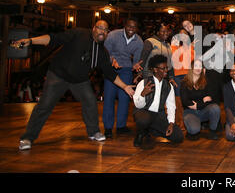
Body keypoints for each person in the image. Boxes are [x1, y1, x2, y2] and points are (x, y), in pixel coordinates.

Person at [13, 20, 135, 150]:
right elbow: (53, 39)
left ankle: (94, 132)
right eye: (100, 28)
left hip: (79, 80)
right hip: (58, 75)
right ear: (94, 28)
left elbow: (110, 73)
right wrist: (31, 41)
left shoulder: (102, 52)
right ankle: (27, 138)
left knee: (90, 101)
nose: (102, 32)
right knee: (44, 106)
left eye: (105, 30)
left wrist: (125, 86)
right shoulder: (79, 34)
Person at [102, 18, 143, 138]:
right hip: (111, 69)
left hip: (126, 70)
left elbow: (136, 60)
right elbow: (104, 53)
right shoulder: (113, 35)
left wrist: (136, 65)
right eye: (129, 26)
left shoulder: (139, 41)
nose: (131, 29)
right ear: (125, 26)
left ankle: (121, 126)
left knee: (125, 98)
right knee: (109, 98)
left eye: (134, 27)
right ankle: (108, 128)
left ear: (136, 29)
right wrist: (112, 60)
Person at [132, 55, 184, 147]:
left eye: (166, 68)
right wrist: (143, 94)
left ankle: (152, 130)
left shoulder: (168, 86)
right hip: (144, 112)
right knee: (143, 120)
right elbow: (138, 105)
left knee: (178, 136)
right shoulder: (144, 82)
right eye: (163, 68)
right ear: (155, 70)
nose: (166, 70)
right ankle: (141, 132)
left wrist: (171, 123)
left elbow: (171, 106)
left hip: (158, 116)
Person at [181, 59, 221, 140]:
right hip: (190, 112)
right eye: (196, 66)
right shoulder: (184, 82)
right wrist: (203, 101)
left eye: (200, 66)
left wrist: (197, 105)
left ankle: (212, 131)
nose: (198, 68)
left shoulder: (206, 81)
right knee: (194, 131)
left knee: (215, 108)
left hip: (203, 111)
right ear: (191, 68)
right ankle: (192, 129)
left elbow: (210, 99)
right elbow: (185, 101)